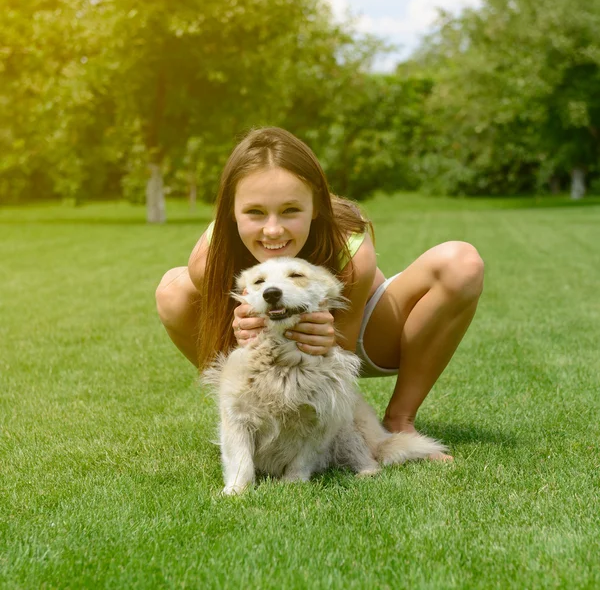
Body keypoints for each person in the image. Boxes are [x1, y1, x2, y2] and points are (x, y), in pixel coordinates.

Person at [156, 127, 484, 459]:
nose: (273, 229)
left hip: (358, 339)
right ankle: (255, 418)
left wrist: (327, 336)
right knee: (173, 290)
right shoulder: (208, 259)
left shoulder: (350, 246)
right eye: (254, 212)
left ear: (316, 205)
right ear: (231, 211)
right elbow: (221, 342)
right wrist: (238, 330)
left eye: (290, 210)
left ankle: (400, 418)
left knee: (461, 263)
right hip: (272, 359)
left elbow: (342, 356)